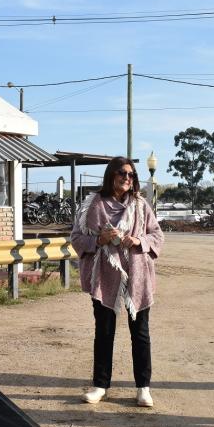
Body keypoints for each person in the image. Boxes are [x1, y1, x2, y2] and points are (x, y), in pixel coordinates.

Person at [70, 157, 164, 407]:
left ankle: (143, 387)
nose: (127, 178)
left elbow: (157, 236)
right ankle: (100, 385)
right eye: (122, 173)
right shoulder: (93, 204)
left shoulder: (140, 205)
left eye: (131, 175)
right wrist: (99, 240)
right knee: (104, 332)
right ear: (111, 174)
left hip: (137, 274)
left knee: (140, 333)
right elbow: (77, 238)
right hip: (105, 275)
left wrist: (138, 242)